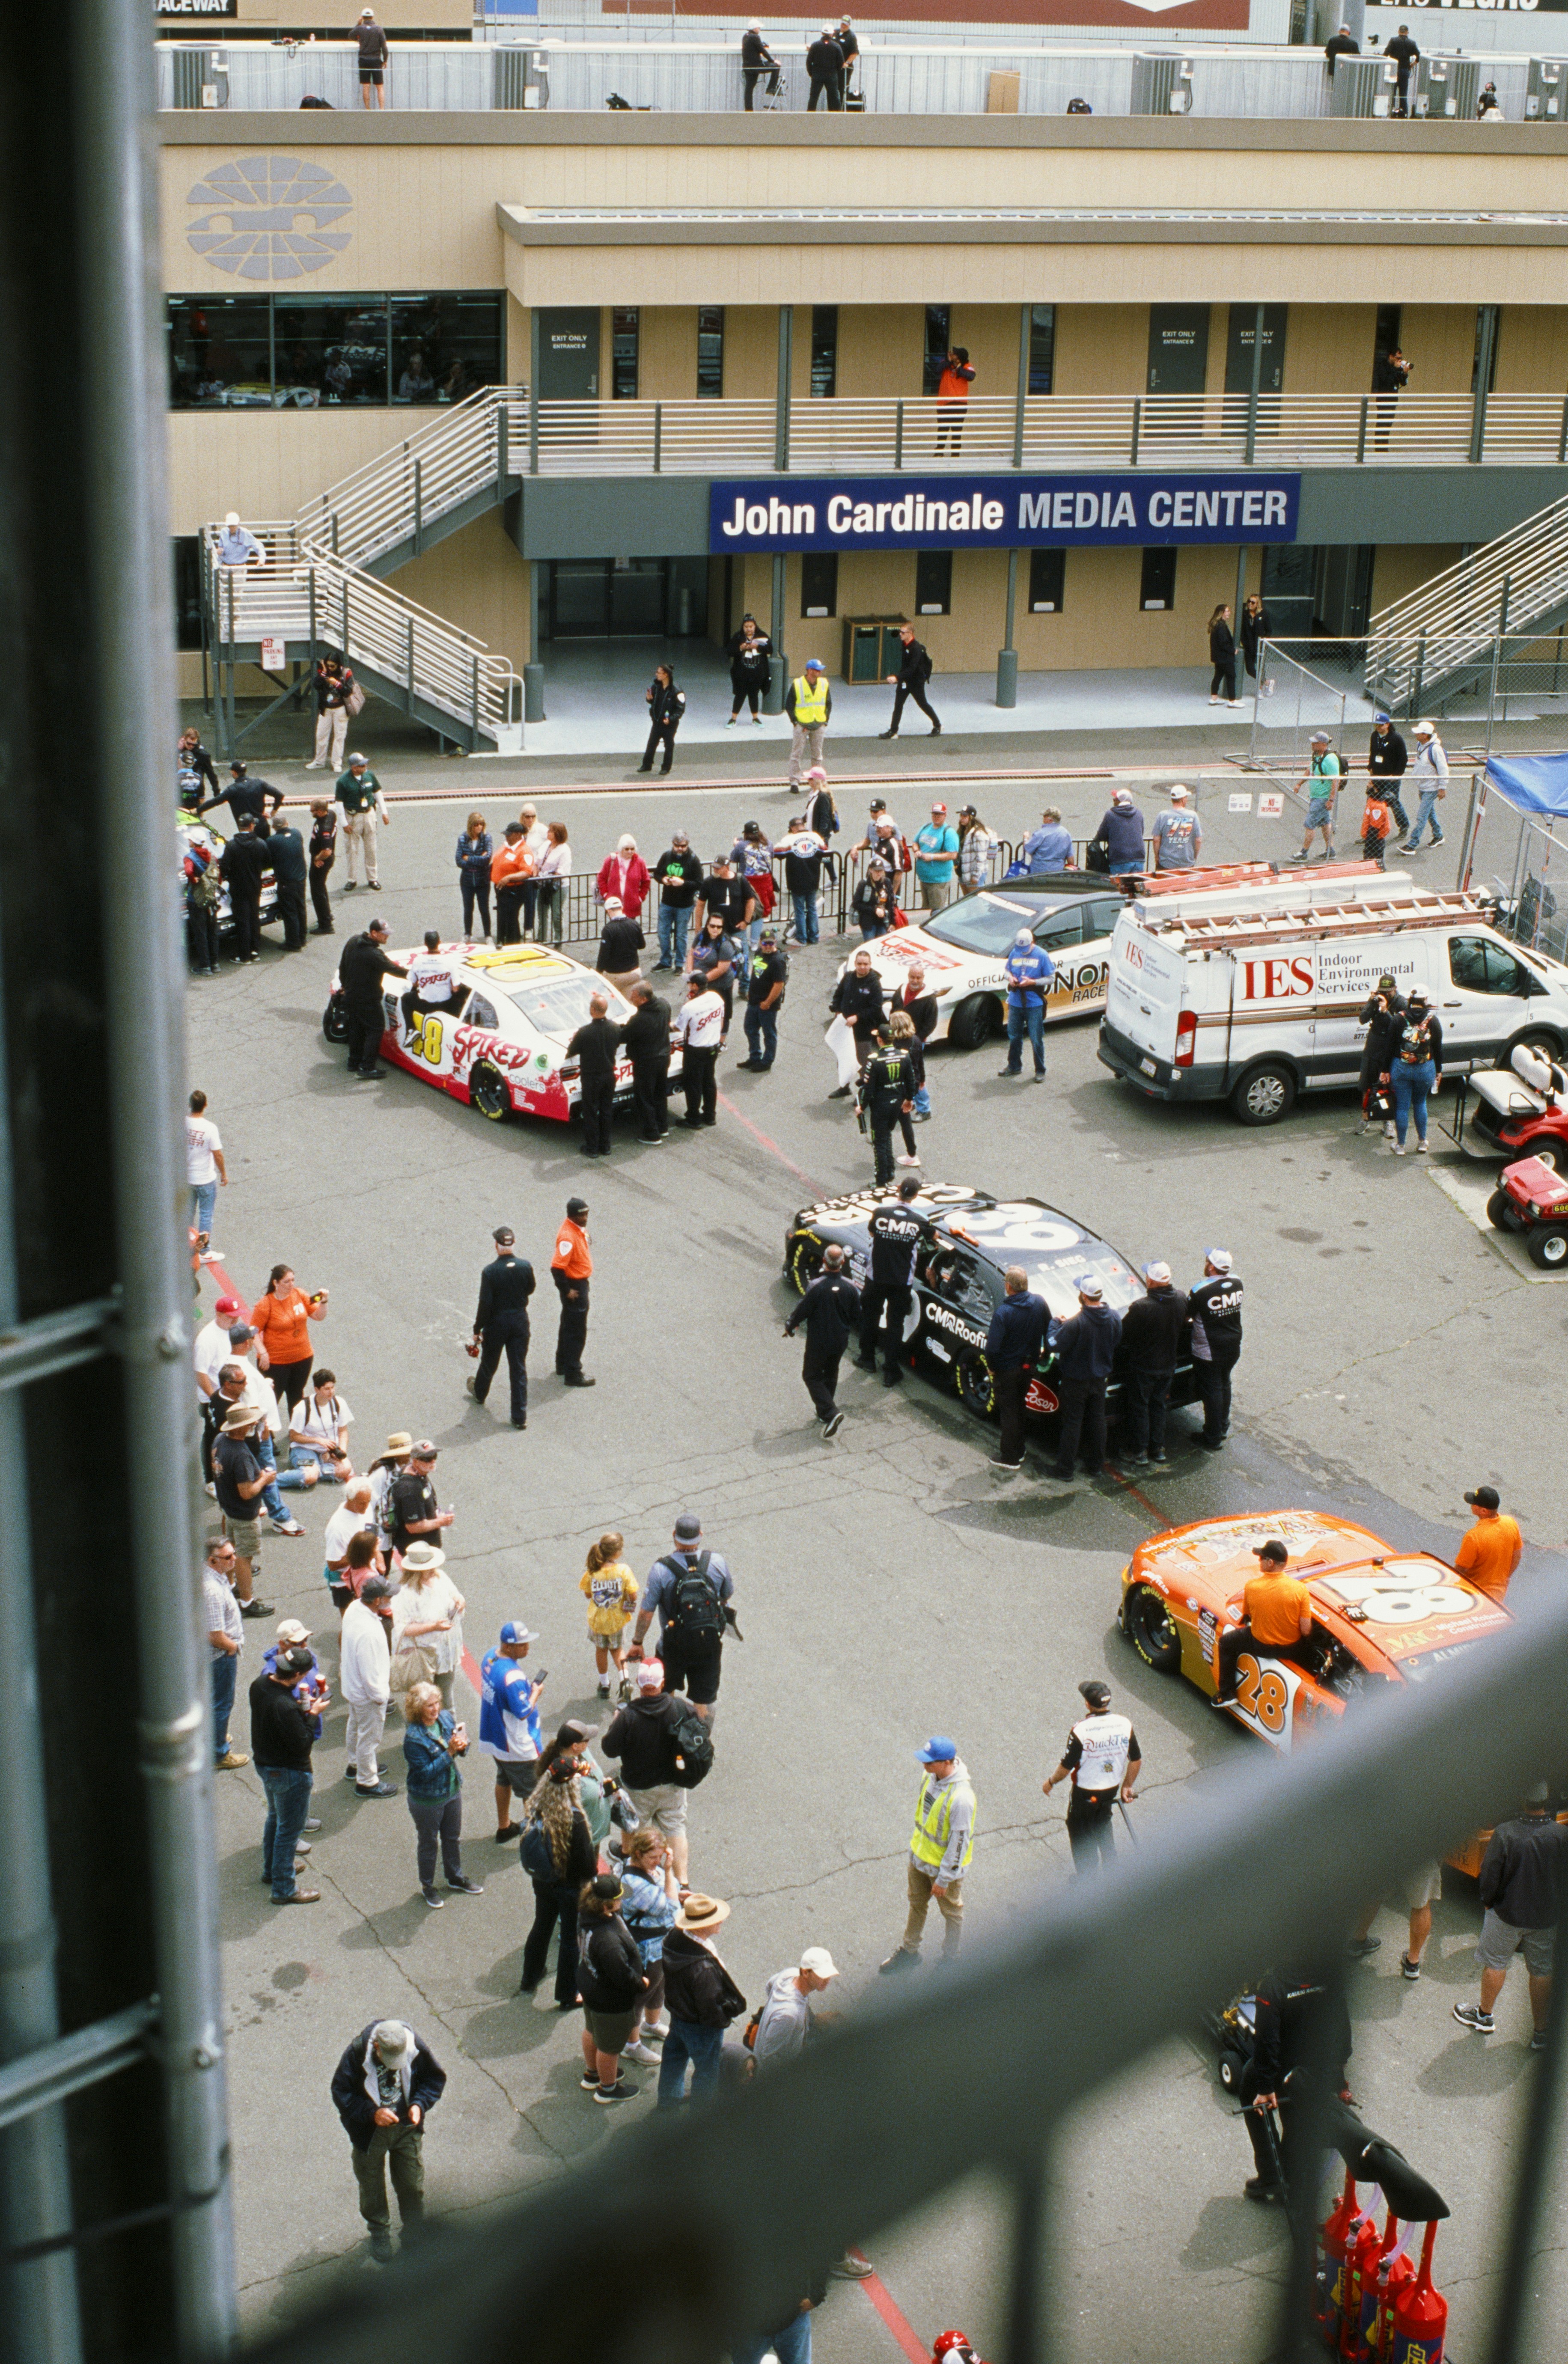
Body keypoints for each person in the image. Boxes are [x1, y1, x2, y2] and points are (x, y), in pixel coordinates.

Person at [1454, 1786, 1568, 2046]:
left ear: (1522, 1802)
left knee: (1495, 1963)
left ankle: (1484, 2016)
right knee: (1542, 1970)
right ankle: (1541, 2032)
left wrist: (1487, 1901)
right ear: (1547, 1802)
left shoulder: (1505, 1833)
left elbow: (1490, 1873)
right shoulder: (1562, 1835)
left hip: (1507, 1914)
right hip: (1546, 1918)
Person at [330, 2021, 446, 2265]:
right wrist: (372, 2114)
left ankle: (414, 2231)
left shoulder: (414, 2046)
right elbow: (342, 2093)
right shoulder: (355, 2055)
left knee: (412, 2184)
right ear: (377, 2048)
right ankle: (379, 2231)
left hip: (406, 2129)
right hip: (371, 2134)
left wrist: (418, 2105)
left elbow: (433, 2080)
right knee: (371, 2184)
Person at [1240, 1969, 1351, 2205]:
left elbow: (1267, 2039)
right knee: (1295, 2114)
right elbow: (1342, 2023)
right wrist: (1338, 2072)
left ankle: (1271, 2175)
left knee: (1251, 2086)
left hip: (1283, 2063)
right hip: (1316, 2064)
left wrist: (1265, 2088)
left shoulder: (1273, 1985)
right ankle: (1291, 2175)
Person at [630, 1513, 737, 1725]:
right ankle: (699, 1745)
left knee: (666, 1693)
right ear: (701, 1535)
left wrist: (637, 1642)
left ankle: (666, 1736)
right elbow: (727, 1594)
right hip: (709, 1645)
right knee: (702, 1701)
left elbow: (646, 1612)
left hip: (672, 1646)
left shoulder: (661, 1570)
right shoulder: (717, 1562)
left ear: (674, 1535)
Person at [881, 1737, 975, 1971]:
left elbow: (959, 1843)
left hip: (942, 1871)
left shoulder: (962, 1798)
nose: (925, 1766)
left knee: (952, 1913)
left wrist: (944, 1878)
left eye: (930, 1762)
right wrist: (915, 1854)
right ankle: (910, 1951)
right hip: (919, 1859)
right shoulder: (929, 1777)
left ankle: (951, 1960)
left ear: (946, 1763)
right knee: (917, 1904)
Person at [518, 1757, 598, 2004]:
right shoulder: (575, 1820)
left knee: (542, 1925)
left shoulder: (538, 1807)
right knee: (570, 1939)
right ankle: (567, 1994)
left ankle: (529, 1978)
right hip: (570, 1888)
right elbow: (587, 1866)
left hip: (543, 1882)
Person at [602, 1661, 691, 1881]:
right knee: (675, 1829)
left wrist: (614, 1725)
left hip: (638, 1788)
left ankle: (633, 1869)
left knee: (633, 1827)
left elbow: (609, 1749)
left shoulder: (628, 1716)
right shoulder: (681, 1708)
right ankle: (683, 1884)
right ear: (662, 1683)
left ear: (640, 1685)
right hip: (673, 1785)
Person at [1041, 1680, 1141, 1874]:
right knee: (1103, 1821)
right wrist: (1127, 1785)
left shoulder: (1081, 1730)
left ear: (1088, 1704)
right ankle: (1112, 1872)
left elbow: (1067, 1766)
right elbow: (1136, 1759)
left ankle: (1088, 1880)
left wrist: (1051, 1782)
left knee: (1078, 1829)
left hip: (1085, 1793)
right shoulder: (1124, 1724)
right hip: (1111, 1788)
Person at [658, 1894, 747, 2105]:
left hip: (679, 2013)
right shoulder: (703, 1968)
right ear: (701, 1926)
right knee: (707, 2071)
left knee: (674, 2056)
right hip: (700, 2026)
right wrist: (722, 2022)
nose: (721, 1921)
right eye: (715, 1919)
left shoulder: (675, 1937)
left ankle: (669, 2098)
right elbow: (710, 2007)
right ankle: (701, 2114)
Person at [250, 1644, 320, 1903]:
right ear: (299, 1675)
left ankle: (273, 1870)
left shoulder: (259, 1686)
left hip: (265, 1765)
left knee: (275, 1818)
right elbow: (303, 1743)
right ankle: (284, 1889)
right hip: (289, 1773)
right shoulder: (285, 1706)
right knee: (289, 1831)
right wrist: (312, 1715)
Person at [402, 1685, 483, 1908]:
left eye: (437, 1703)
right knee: (428, 1844)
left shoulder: (446, 1718)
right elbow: (425, 1774)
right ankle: (428, 1886)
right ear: (418, 1709)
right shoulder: (414, 1738)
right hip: (427, 1800)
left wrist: (462, 1745)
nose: (436, 1709)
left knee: (452, 1838)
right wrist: (450, 1752)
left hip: (451, 1790)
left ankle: (455, 1877)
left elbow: (461, 1747)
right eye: (429, 1705)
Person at [1213, 1536, 1315, 1706]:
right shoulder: (1301, 1590)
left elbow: (1248, 1617)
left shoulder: (1252, 1586)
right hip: (1291, 1649)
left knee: (1226, 1643)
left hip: (1262, 1647)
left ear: (1271, 1563)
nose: (1259, 1561)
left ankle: (1227, 1694)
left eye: (1262, 1558)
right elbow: (1305, 1631)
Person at [576, 1874, 650, 2106]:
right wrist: (641, 1984)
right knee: (609, 2048)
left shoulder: (588, 1916)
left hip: (592, 1989)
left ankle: (593, 2074)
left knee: (592, 2030)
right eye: (619, 1899)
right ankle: (607, 2089)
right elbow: (621, 1975)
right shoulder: (608, 1941)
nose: (622, 1902)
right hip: (611, 2001)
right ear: (607, 1905)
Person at [1047, 1275, 1122, 1484]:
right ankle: (1096, 1466)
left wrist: (1055, 1323)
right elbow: (1116, 1342)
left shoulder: (1076, 1323)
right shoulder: (1115, 1317)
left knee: (1073, 1424)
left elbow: (1054, 1344)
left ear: (1083, 1295)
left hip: (1076, 1381)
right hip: (1100, 1381)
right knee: (1098, 1421)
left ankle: (1065, 1469)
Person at [784, 1241, 860, 1439]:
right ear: (842, 1262)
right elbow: (857, 1316)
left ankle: (830, 1411)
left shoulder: (816, 1286)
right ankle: (824, 1412)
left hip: (819, 1340)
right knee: (831, 1371)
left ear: (824, 1261)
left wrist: (791, 1324)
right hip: (840, 1340)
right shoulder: (851, 1288)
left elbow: (804, 1308)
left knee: (811, 1375)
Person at [618, 1828, 681, 2063]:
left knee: (660, 1987)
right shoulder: (632, 1882)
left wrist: (675, 1889)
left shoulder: (650, 1871)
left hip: (662, 1943)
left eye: (660, 1857)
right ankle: (631, 2045)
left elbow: (672, 1891)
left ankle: (651, 2025)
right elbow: (669, 1908)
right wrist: (668, 1872)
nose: (658, 1862)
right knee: (641, 1996)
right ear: (637, 1854)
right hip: (646, 1948)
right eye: (652, 1857)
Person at [1117, 1262, 1188, 1466]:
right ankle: (1158, 1449)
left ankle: (1138, 1451)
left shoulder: (1141, 1308)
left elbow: (1123, 1336)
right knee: (1159, 1406)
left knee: (1140, 1407)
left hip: (1144, 1367)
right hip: (1168, 1365)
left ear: (1152, 1280)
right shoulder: (1181, 1299)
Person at [478, 1619, 543, 1840]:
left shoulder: (490, 1656)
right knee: (532, 1794)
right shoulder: (512, 1677)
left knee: (503, 1779)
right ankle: (534, 1838)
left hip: (497, 1740)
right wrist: (535, 1692)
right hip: (517, 1745)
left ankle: (504, 1826)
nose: (527, 1648)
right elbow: (523, 1710)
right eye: (522, 1645)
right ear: (508, 1647)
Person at [467, 1223, 534, 1430]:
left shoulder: (490, 1272)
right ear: (514, 1243)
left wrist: (478, 1329)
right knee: (518, 1368)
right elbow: (531, 1289)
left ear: (496, 1245)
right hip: (520, 1321)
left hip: (497, 1323)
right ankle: (519, 1416)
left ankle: (480, 1393)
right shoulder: (525, 1266)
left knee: (490, 1362)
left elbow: (485, 1303)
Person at [985, 1265, 1047, 1473]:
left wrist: (992, 1368)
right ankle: (1020, 1449)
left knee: (1009, 1413)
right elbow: (1050, 1330)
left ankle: (1010, 1457)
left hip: (1007, 1371)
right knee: (1020, 1407)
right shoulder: (1039, 1303)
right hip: (1029, 1368)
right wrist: (1044, 1355)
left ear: (1009, 1287)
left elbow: (993, 1348)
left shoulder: (1004, 1313)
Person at [213, 1406, 275, 1617]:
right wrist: (265, 1479)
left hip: (227, 1508)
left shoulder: (221, 1440)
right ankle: (247, 1602)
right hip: (244, 1514)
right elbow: (247, 1492)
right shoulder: (240, 1455)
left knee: (230, 1548)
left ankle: (231, 1585)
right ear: (244, 1426)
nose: (254, 1425)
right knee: (243, 1558)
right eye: (251, 1423)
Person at [391, 1544, 465, 1713]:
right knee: (422, 1703)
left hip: (446, 1651)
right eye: (429, 1568)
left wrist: (460, 1601)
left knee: (446, 1696)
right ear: (416, 1571)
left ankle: (450, 1731)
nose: (434, 1570)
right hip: (424, 1657)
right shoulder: (405, 1594)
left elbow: (455, 1594)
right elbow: (403, 1629)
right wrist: (434, 1627)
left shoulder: (441, 1577)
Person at [342, 1576, 398, 1798]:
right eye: (388, 1596)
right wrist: (381, 1697)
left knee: (355, 1725)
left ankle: (355, 1765)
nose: (391, 1599)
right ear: (376, 1600)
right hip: (367, 1694)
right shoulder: (369, 1633)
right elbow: (370, 1672)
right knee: (369, 1738)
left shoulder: (355, 1608)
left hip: (352, 1686)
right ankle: (367, 1781)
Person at [251, 1264, 326, 1418]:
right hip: (276, 1363)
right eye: (286, 1282)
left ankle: (297, 1431)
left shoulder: (300, 1295)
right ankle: (265, 1436)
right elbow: (253, 1331)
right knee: (270, 1399)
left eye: (293, 1280)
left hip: (303, 1358)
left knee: (297, 1395)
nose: (291, 1285)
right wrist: (263, 1352)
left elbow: (318, 1316)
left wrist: (324, 1302)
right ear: (276, 1283)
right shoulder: (266, 1305)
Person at [1189, 1247, 1243, 1451]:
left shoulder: (1201, 1290)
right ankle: (1222, 1426)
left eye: (1207, 1261)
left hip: (1209, 1350)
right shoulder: (1238, 1283)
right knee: (1225, 1384)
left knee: (1212, 1391)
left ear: (1211, 1267)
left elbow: (1188, 1314)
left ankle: (1212, 1437)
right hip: (1233, 1344)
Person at [202, 1535, 247, 1770]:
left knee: (213, 1701)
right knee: (221, 1704)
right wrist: (233, 1648)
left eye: (234, 1554)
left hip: (216, 1654)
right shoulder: (211, 1590)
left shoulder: (214, 1576)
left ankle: (215, 1737)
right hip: (220, 1656)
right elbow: (215, 1635)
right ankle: (219, 1754)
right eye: (228, 1557)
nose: (235, 1559)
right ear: (212, 1561)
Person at [580, 1531, 639, 1699]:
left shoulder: (592, 1572)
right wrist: (628, 1606)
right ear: (617, 1553)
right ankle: (625, 1680)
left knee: (601, 1650)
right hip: (617, 1620)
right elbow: (633, 1596)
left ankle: (605, 1684)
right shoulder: (624, 1570)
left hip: (598, 1621)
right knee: (618, 1650)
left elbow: (588, 1594)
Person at [567, 991, 622, 1162]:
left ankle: (592, 1148)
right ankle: (606, 1146)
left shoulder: (585, 1032)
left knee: (591, 1112)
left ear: (592, 1009)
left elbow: (571, 1052)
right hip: (609, 1075)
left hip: (592, 1077)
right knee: (606, 1111)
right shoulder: (615, 1028)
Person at [859, 1026, 916, 1187]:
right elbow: (911, 1081)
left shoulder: (875, 1060)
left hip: (881, 1107)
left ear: (880, 1040)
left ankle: (881, 1180)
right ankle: (890, 1172)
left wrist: (862, 1107)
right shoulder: (904, 1056)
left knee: (880, 1142)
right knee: (887, 1137)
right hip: (897, 1104)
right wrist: (909, 1099)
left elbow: (868, 1088)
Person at [1388, 988, 1441, 1157]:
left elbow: (1389, 1046)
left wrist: (1385, 1070)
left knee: (1402, 1107)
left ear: (1411, 999)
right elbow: (1438, 1048)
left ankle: (1401, 1145)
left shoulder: (1399, 1018)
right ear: (1425, 999)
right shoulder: (1432, 1020)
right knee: (1420, 1103)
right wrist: (1438, 1070)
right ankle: (1422, 1142)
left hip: (1401, 1067)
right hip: (1425, 1069)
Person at [999, 926, 1054, 1081]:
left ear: (1032, 943)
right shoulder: (1015, 952)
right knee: (1014, 1036)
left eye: (1025, 948)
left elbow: (1051, 978)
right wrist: (1010, 978)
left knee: (1036, 1038)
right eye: (1020, 948)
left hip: (1034, 1003)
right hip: (1016, 1001)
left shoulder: (1042, 955)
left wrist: (1034, 982)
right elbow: (1006, 971)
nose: (1022, 951)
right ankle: (1014, 1066)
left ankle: (1040, 1070)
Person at [619, 979, 672, 1142]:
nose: (631, 998)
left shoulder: (640, 1019)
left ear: (643, 999)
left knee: (645, 1098)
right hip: (664, 1057)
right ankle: (663, 1127)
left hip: (647, 1062)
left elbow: (623, 1036)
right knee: (659, 1094)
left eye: (633, 996)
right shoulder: (664, 1005)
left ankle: (651, 1134)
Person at [828, 946, 884, 1097]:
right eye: (859, 964)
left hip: (862, 1030)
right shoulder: (849, 977)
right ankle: (844, 1086)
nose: (862, 967)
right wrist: (838, 1010)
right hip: (845, 1026)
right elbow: (838, 995)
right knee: (843, 1057)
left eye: (865, 964)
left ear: (870, 964)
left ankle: (865, 1092)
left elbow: (876, 1008)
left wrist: (858, 1017)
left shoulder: (874, 983)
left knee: (862, 1062)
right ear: (855, 964)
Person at [551, 1195, 594, 1386]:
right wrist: (567, 1291)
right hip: (575, 1286)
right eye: (582, 1215)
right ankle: (573, 1374)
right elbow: (557, 1268)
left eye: (586, 1214)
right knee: (576, 1332)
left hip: (578, 1282)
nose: (585, 1218)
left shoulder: (576, 1227)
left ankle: (562, 1363)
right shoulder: (567, 1237)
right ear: (572, 1216)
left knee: (567, 1326)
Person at [389, 1438, 452, 1567]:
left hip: (424, 1548)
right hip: (418, 1553)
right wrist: (441, 1522)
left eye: (434, 1456)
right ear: (415, 1461)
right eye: (427, 1459)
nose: (433, 1461)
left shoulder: (418, 1472)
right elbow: (414, 1526)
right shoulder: (410, 1489)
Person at [1357, 974, 1406, 1139]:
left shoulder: (1402, 1003)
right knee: (1366, 1084)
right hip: (1373, 1045)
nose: (1386, 994)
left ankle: (1387, 1122)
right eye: (1383, 991)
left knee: (1387, 1087)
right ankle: (1365, 1118)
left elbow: (1400, 1027)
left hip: (1389, 1047)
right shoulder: (1377, 999)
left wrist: (1386, 1012)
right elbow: (1363, 1019)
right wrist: (1371, 1003)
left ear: (1395, 989)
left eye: (1389, 991)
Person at [1453, 1484, 1523, 1601]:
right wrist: (1504, 1579)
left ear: (1484, 1511)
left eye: (1474, 1504)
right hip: (1497, 1597)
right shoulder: (1511, 1523)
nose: (1472, 1505)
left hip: (1473, 1596)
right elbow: (1517, 1556)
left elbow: (1460, 1571)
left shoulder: (1474, 1537)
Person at [333, 754, 389, 893]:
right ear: (354, 768)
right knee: (352, 849)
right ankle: (352, 879)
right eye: (362, 765)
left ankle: (373, 878)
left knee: (371, 848)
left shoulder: (370, 775)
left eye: (365, 764)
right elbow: (339, 804)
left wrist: (384, 812)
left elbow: (378, 793)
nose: (366, 767)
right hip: (353, 816)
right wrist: (344, 823)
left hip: (369, 814)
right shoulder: (343, 782)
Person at [217, 815, 268, 966]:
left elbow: (224, 866)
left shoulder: (232, 845)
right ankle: (255, 951)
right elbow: (267, 862)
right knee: (254, 917)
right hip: (255, 886)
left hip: (237, 887)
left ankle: (244, 955)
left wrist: (228, 876)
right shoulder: (261, 843)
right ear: (251, 826)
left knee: (242, 920)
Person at [290, 1367, 355, 1483]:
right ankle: (273, 1480)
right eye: (326, 1389)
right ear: (317, 1389)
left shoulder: (339, 1403)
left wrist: (342, 1451)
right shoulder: (302, 1408)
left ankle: (311, 1471)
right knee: (311, 1476)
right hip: (302, 1451)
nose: (331, 1392)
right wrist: (318, 1440)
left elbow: (343, 1431)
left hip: (327, 1452)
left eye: (333, 1387)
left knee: (346, 1469)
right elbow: (294, 1437)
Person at [675, 974, 724, 1128]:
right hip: (713, 1046)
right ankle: (710, 1115)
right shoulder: (717, 998)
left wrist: (667, 1025)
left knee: (693, 1084)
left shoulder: (690, 1007)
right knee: (709, 1080)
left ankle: (693, 1118)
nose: (689, 987)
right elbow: (722, 1022)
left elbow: (678, 1027)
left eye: (690, 984)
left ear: (695, 986)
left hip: (695, 1050)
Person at [739, 924, 788, 1072]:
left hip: (767, 1005)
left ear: (775, 943)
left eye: (771, 943)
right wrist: (750, 991)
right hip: (754, 1000)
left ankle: (767, 1062)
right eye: (765, 943)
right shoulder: (760, 952)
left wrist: (768, 1002)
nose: (767, 946)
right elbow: (756, 971)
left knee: (769, 1034)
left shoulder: (778, 961)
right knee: (750, 1029)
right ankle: (755, 1057)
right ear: (761, 943)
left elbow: (779, 985)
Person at [652, 833, 703, 972]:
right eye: (677, 846)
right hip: (667, 902)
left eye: (683, 846)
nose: (680, 849)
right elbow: (657, 874)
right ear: (673, 844)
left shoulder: (693, 860)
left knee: (681, 935)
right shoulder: (667, 856)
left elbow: (699, 883)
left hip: (685, 905)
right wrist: (663, 880)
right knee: (663, 933)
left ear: (687, 846)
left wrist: (683, 883)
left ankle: (680, 963)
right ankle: (665, 961)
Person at [881, 625, 941, 739]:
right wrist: (901, 679)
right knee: (898, 705)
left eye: (903, 633)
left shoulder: (917, 649)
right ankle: (893, 731)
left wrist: (897, 678)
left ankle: (937, 725)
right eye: (900, 632)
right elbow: (906, 667)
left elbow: (912, 668)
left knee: (923, 704)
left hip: (916, 682)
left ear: (910, 633)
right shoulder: (905, 645)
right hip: (905, 681)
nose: (900, 634)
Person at [891, 966, 937, 1117]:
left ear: (923, 978)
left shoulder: (929, 998)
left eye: (919, 978)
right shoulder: (902, 990)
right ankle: (910, 1101)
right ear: (908, 976)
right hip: (898, 1039)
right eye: (913, 977)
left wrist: (915, 1039)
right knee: (903, 1074)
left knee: (914, 1076)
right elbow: (894, 1011)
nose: (915, 981)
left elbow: (930, 1024)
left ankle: (924, 1109)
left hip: (914, 1042)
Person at [776, 821, 828, 949]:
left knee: (799, 910)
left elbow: (777, 852)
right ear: (803, 826)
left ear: (793, 828)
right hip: (813, 878)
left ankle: (802, 938)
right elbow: (825, 850)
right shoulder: (815, 836)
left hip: (797, 880)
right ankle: (814, 937)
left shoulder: (790, 839)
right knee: (812, 909)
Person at [185, 1089, 227, 1250]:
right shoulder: (210, 1128)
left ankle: (187, 1246)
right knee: (206, 1215)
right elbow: (218, 1155)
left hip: (186, 1179)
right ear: (205, 1105)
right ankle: (203, 1249)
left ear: (190, 1105)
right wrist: (224, 1174)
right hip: (205, 1179)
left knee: (187, 1214)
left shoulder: (181, 1123)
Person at [688, 914, 741, 1033]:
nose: (715, 929)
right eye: (712, 926)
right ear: (707, 925)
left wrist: (700, 981)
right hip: (701, 983)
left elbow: (721, 969)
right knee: (701, 1011)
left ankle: (721, 1042)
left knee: (722, 1014)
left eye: (719, 927)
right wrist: (690, 974)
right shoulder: (701, 936)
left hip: (721, 986)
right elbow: (691, 954)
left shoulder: (725, 944)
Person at [1401, 720, 1448, 853]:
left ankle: (1413, 843)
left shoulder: (1436, 750)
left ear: (1426, 735)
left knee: (1422, 816)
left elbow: (1443, 769)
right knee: (1429, 813)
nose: (1416, 734)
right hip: (1423, 787)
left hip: (1431, 788)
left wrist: (1442, 787)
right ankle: (1438, 836)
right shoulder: (1420, 745)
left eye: (1419, 733)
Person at [1296, 731, 1342, 862]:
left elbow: (1336, 779)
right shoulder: (1317, 756)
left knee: (1310, 824)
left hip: (1323, 798)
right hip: (1316, 797)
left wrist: (1331, 799)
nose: (1312, 745)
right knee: (1325, 823)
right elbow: (1310, 770)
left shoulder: (1330, 759)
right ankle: (1330, 851)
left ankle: (1304, 853)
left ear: (1323, 744)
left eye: (1315, 743)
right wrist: (1299, 784)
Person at [696, 849, 759, 945]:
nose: (715, 870)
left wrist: (746, 921)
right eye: (714, 867)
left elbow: (750, 901)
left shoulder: (740, 880)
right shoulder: (708, 882)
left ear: (727, 868)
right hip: (716, 929)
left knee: (741, 957)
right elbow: (701, 905)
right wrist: (698, 926)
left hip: (737, 930)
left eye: (718, 868)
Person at [267, 814, 309, 952]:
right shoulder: (297, 833)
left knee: (290, 912)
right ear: (287, 823)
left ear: (274, 827)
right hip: (300, 878)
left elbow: (269, 859)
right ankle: (302, 937)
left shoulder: (272, 841)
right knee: (301, 908)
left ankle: (293, 942)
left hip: (286, 881)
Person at [785, 660, 831, 787]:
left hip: (819, 724)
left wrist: (825, 721)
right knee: (797, 754)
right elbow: (789, 705)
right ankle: (795, 781)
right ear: (810, 671)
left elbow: (828, 704)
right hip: (802, 724)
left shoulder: (824, 684)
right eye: (817, 670)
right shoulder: (798, 684)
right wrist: (796, 722)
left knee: (817, 755)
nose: (820, 672)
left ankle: (817, 780)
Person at [490, 821, 533, 947]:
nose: (506, 837)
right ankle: (503, 943)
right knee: (503, 918)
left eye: (509, 835)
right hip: (503, 890)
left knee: (511, 919)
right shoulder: (508, 846)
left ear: (518, 835)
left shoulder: (524, 851)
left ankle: (513, 945)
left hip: (514, 890)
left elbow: (527, 872)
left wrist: (509, 878)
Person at [308, 656, 354, 773]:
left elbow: (349, 691)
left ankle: (336, 763)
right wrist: (323, 672)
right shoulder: (324, 672)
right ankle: (319, 761)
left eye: (333, 666)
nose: (330, 668)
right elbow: (316, 685)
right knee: (321, 734)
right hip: (326, 708)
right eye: (328, 665)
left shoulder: (346, 673)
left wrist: (337, 683)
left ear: (338, 665)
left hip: (341, 708)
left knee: (339, 736)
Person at [1367, 715, 1410, 837]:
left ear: (1388, 725)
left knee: (1393, 802)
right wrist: (1371, 768)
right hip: (1377, 775)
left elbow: (1404, 758)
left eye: (1381, 725)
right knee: (1373, 802)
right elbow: (1373, 753)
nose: (1378, 727)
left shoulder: (1396, 738)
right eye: (1376, 725)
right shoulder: (1374, 736)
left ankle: (1404, 826)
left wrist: (1396, 775)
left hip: (1391, 777)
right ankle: (1372, 831)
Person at [912, 802, 959, 912]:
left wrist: (932, 857)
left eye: (939, 815)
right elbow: (915, 842)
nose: (936, 817)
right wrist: (917, 850)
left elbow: (953, 855)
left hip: (938, 881)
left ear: (945, 815)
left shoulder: (949, 833)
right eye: (934, 814)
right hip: (924, 879)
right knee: (926, 910)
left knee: (936, 912)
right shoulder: (926, 827)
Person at [641, 664, 686, 775]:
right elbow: (653, 702)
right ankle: (647, 765)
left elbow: (680, 709)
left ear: (666, 675)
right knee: (651, 744)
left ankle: (666, 767)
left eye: (659, 673)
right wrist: (649, 699)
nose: (657, 674)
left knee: (669, 745)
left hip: (669, 725)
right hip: (657, 721)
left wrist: (671, 719)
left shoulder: (677, 691)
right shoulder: (656, 687)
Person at [1090, 787, 1145, 877]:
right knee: (1136, 887)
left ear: (1119, 801)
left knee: (1119, 888)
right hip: (1138, 857)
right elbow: (1141, 832)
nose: (1114, 801)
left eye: (1115, 799)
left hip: (1120, 858)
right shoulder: (1138, 813)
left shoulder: (1111, 814)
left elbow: (1101, 835)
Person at [454, 812, 493, 940]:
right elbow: (459, 861)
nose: (479, 827)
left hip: (483, 880)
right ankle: (467, 934)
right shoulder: (463, 839)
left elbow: (487, 860)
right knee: (468, 908)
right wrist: (478, 860)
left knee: (484, 908)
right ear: (471, 826)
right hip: (467, 881)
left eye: (482, 824)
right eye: (476, 825)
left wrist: (469, 859)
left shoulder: (487, 838)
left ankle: (488, 935)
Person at [597, 833, 652, 921]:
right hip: (614, 905)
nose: (630, 851)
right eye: (627, 849)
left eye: (632, 849)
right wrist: (606, 895)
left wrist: (640, 898)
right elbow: (601, 878)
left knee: (630, 931)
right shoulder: (611, 861)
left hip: (632, 905)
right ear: (621, 849)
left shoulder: (640, 862)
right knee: (615, 931)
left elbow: (646, 881)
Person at [535, 820, 571, 949]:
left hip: (558, 886)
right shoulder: (546, 845)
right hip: (543, 884)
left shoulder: (565, 850)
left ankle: (558, 939)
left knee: (556, 913)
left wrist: (547, 876)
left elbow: (561, 870)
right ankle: (542, 938)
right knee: (542, 912)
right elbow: (537, 862)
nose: (548, 832)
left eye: (550, 831)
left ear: (557, 834)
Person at [934, 346, 975, 456]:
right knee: (943, 429)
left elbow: (971, 376)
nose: (952, 355)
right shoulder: (946, 364)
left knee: (957, 431)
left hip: (959, 403)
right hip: (944, 403)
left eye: (955, 354)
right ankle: (939, 452)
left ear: (960, 357)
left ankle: (955, 454)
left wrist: (958, 368)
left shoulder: (967, 366)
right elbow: (937, 371)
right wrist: (949, 362)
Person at [1152, 784, 1202, 872]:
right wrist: (1194, 857)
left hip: (1166, 863)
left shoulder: (1163, 815)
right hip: (1186, 862)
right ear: (1183, 799)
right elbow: (1198, 840)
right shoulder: (1193, 816)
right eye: (1186, 797)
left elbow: (1156, 839)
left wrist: (1157, 857)